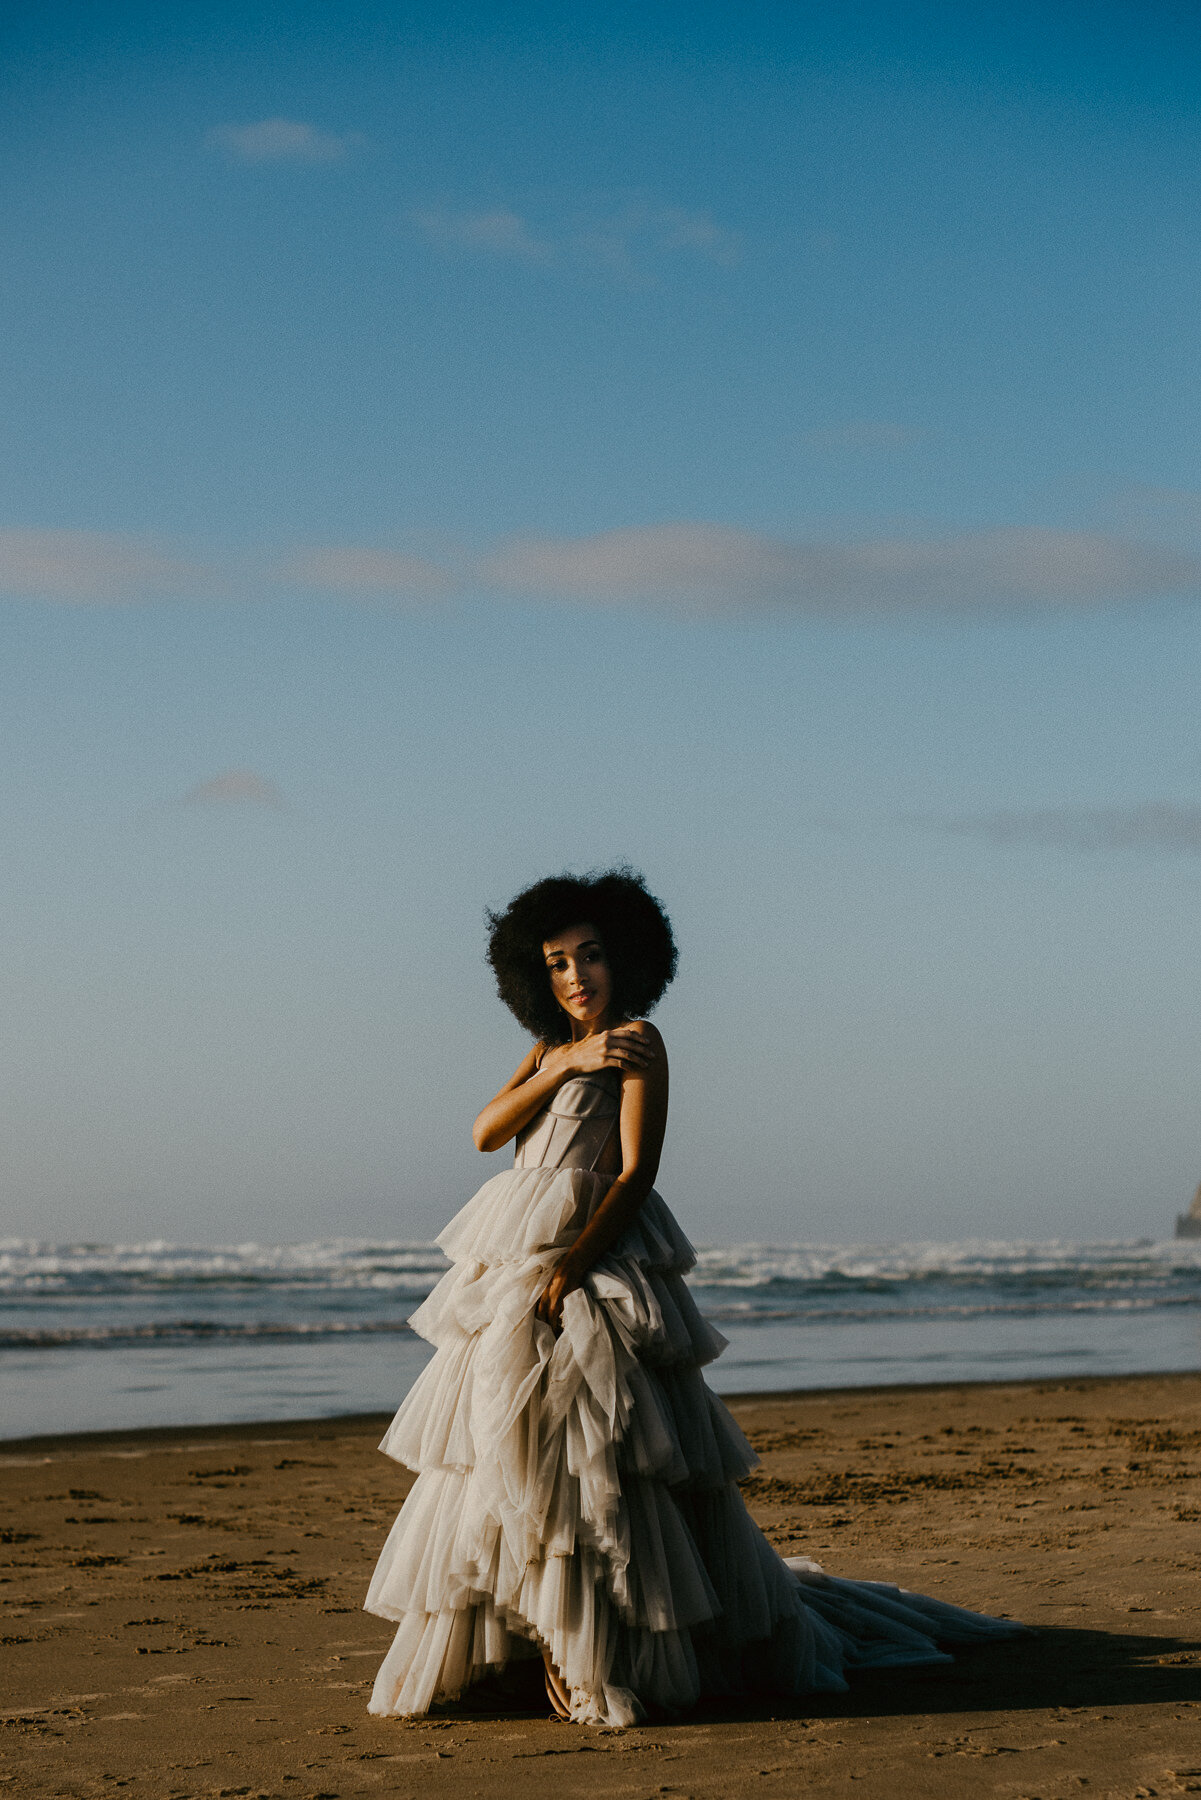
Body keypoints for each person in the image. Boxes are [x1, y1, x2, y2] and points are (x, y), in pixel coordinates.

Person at [364, 868, 1022, 1725]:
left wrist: (572, 1267)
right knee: (502, 1449)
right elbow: (487, 1131)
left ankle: (595, 1648)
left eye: (590, 957)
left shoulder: (640, 1039)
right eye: (556, 963)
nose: (575, 978)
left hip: (591, 1257)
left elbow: (637, 1171)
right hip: (508, 1260)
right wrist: (564, 1058)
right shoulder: (551, 1048)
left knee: (602, 1461)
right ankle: (524, 1638)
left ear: (625, 959)